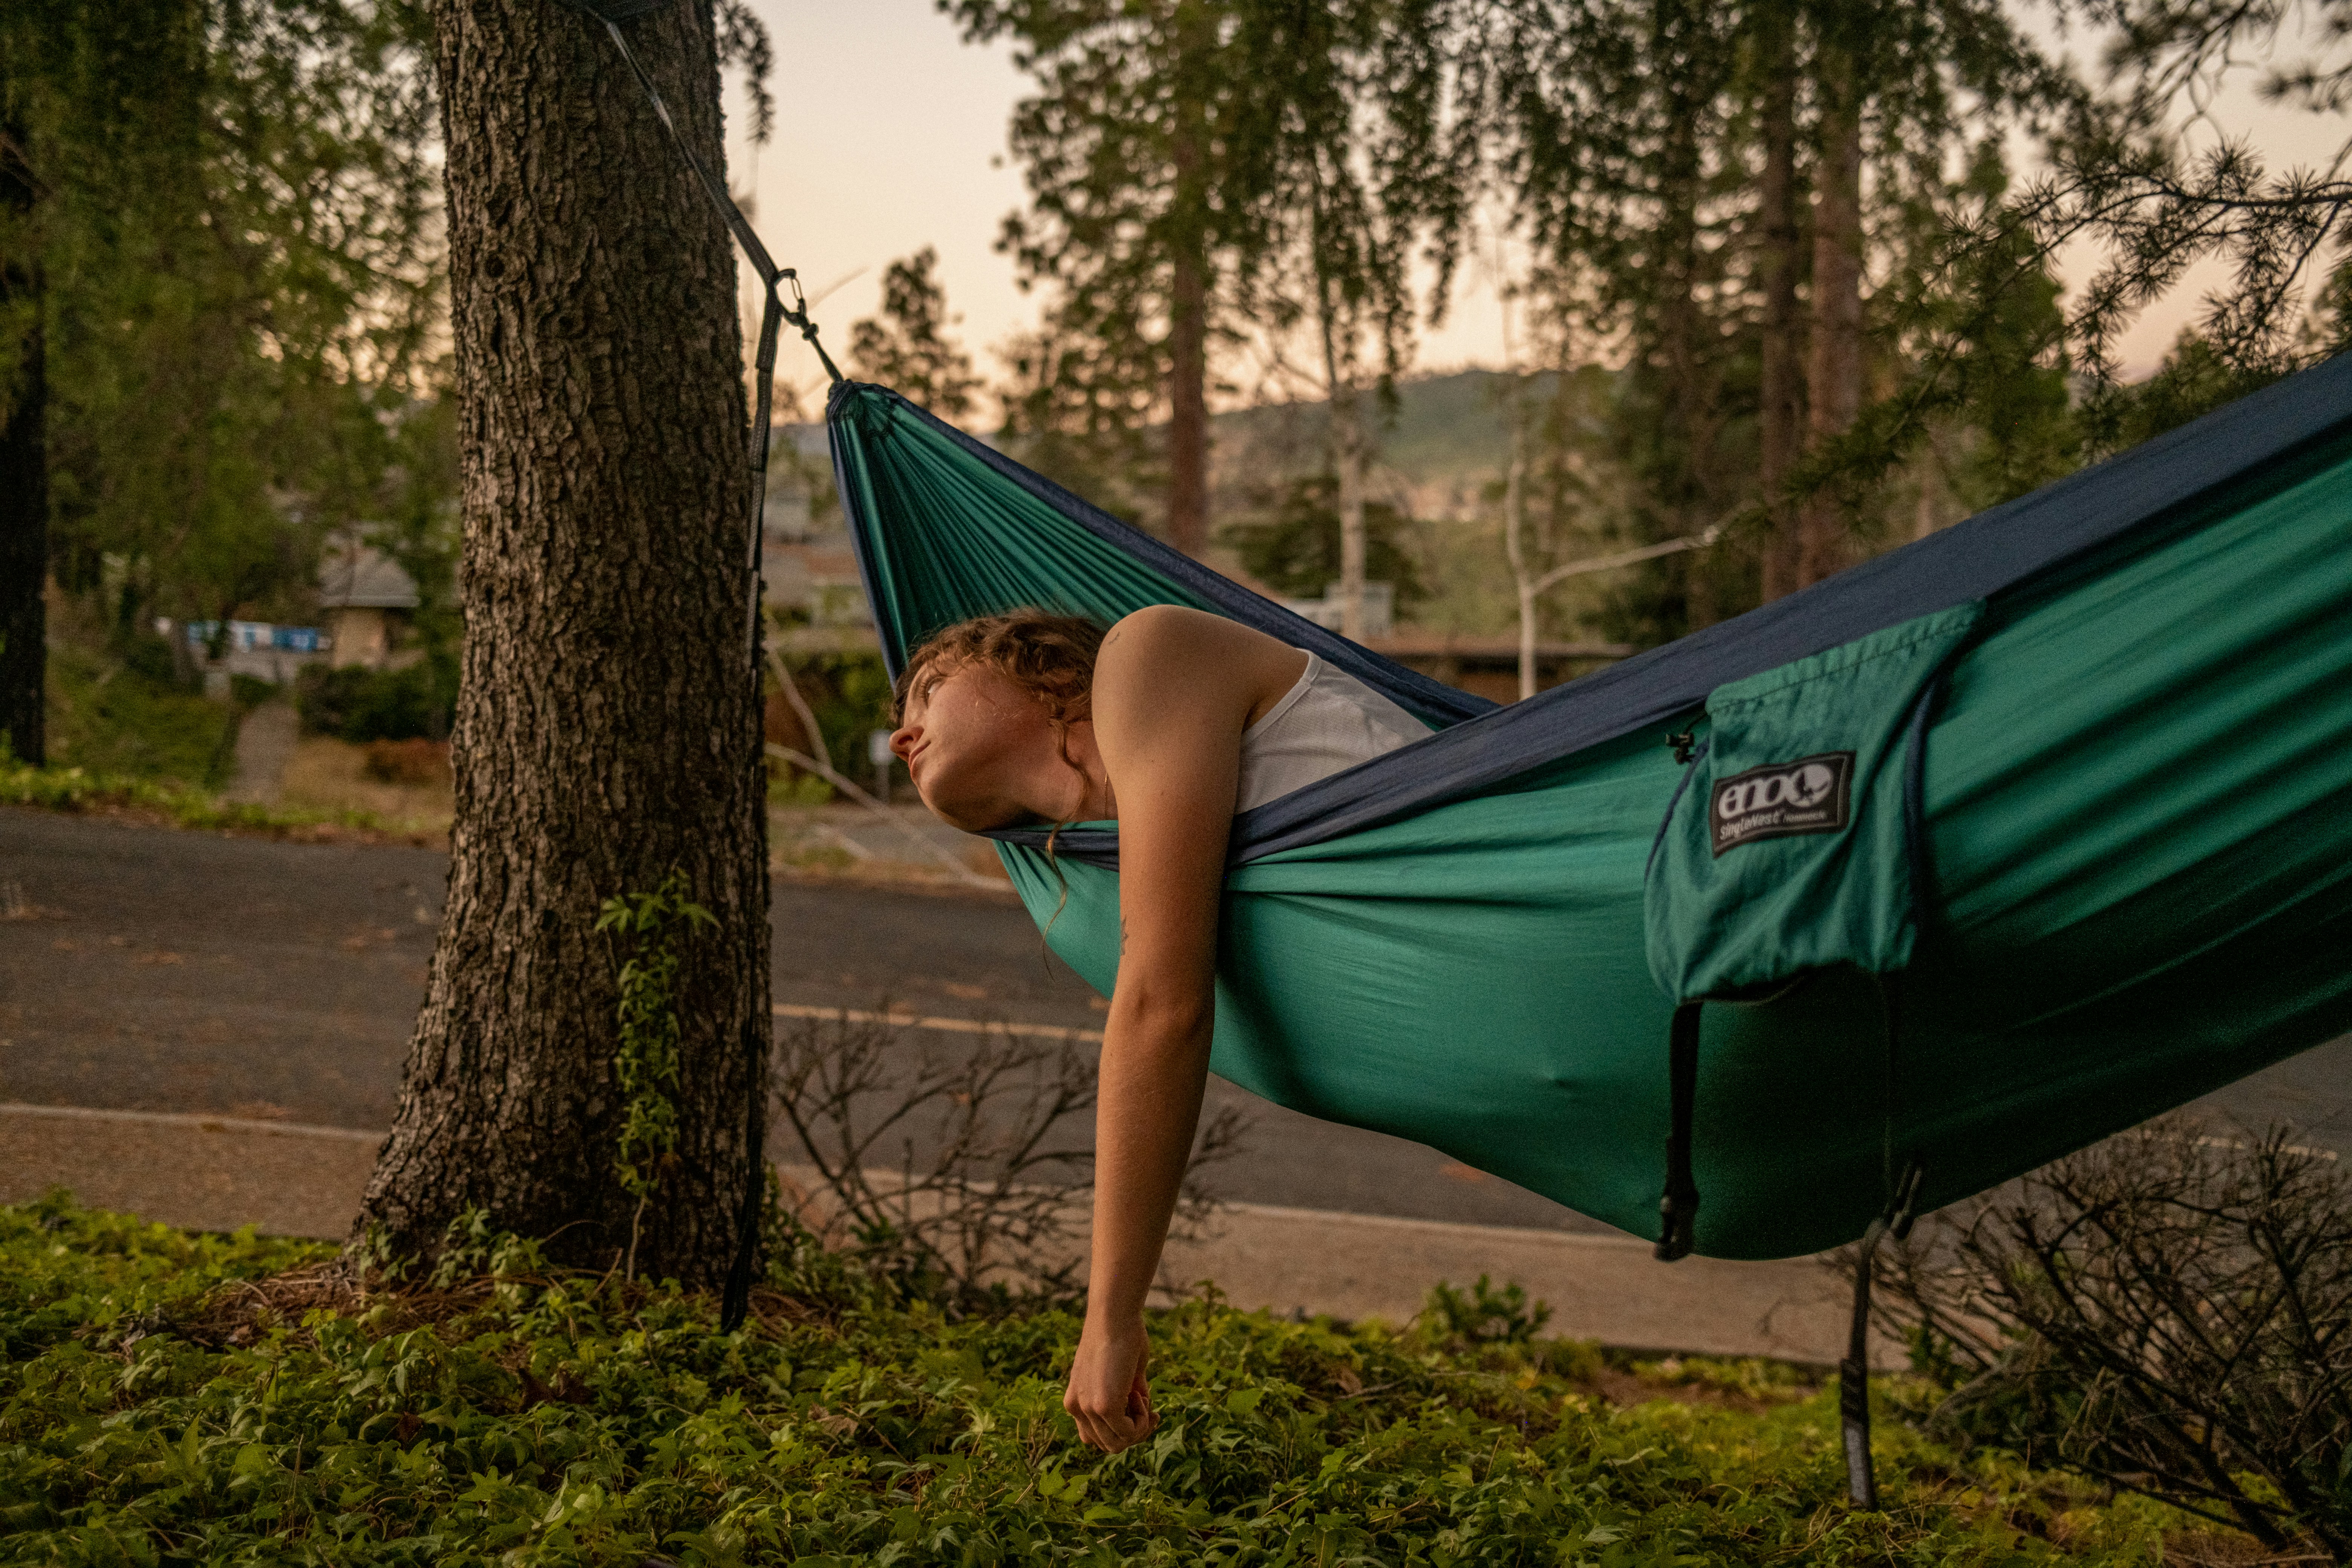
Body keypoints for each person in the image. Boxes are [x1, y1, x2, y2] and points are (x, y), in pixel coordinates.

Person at [887, 604, 1427, 1454]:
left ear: (1048, 674)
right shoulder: (1119, 851)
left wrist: (1109, 1319)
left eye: (930, 690)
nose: (900, 738)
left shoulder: (1153, 652)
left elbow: (1164, 1005)